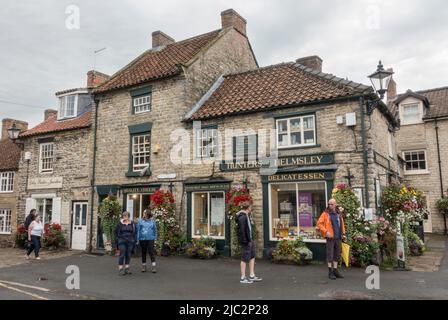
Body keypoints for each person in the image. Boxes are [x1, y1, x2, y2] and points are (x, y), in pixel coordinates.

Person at [317, 198, 346, 280]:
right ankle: (330, 272)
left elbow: (342, 224)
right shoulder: (325, 213)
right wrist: (326, 232)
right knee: (330, 254)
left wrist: (343, 233)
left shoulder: (338, 213)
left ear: (335, 204)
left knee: (337, 254)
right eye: (329, 204)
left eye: (332, 204)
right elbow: (319, 223)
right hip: (330, 238)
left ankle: (335, 271)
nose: (330, 205)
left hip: (338, 237)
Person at [236, 201, 262, 284]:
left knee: (252, 257)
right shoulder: (242, 217)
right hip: (246, 241)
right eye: (251, 207)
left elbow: (248, 228)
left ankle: (252, 275)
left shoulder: (247, 216)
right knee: (244, 259)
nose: (252, 209)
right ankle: (243, 278)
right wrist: (245, 241)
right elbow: (241, 231)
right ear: (248, 208)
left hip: (250, 239)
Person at [115, 211, 137, 276]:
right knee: (122, 254)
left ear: (128, 216)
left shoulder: (132, 223)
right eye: (123, 216)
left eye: (126, 216)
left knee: (128, 255)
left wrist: (134, 240)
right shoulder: (120, 224)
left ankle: (127, 268)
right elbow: (116, 232)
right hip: (122, 241)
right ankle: (120, 269)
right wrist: (118, 239)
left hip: (130, 241)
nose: (124, 217)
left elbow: (135, 232)